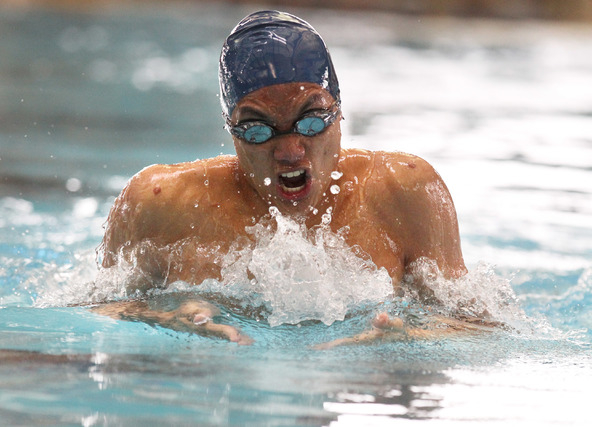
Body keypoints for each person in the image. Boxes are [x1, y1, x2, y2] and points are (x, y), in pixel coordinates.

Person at [93, 10, 476, 347]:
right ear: (231, 129)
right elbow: (93, 309)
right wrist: (160, 319)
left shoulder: (406, 191)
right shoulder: (158, 203)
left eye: (311, 120)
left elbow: (478, 323)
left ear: (339, 113)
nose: (290, 150)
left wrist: (414, 338)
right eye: (258, 128)